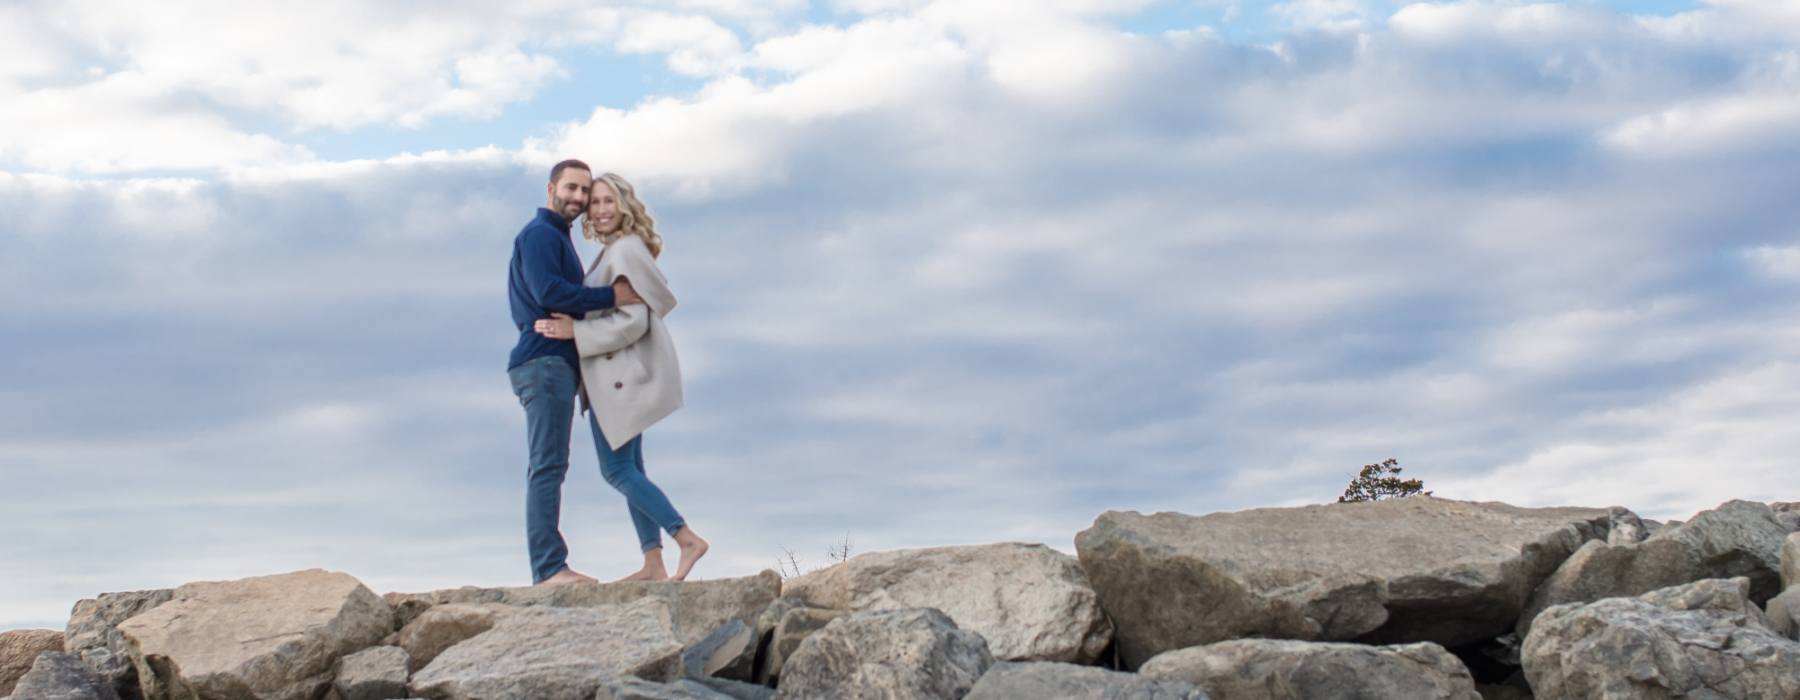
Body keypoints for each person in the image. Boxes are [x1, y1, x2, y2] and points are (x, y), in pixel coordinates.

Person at [534, 172, 708, 581]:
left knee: (616, 471)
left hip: (619, 378)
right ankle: (652, 563)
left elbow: (634, 319)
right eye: (595, 203)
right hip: (617, 375)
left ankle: (686, 538)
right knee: (631, 468)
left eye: (609, 201)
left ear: (625, 204)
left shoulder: (626, 250)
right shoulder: (617, 250)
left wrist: (576, 331)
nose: (601, 209)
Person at [507, 159, 643, 587]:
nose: (579, 199)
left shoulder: (557, 238)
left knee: (551, 465)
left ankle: (550, 566)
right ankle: (549, 568)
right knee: (547, 466)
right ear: (551, 189)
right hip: (543, 361)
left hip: (554, 362)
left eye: (585, 191)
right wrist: (613, 295)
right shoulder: (541, 235)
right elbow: (549, 292)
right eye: (572, 189)